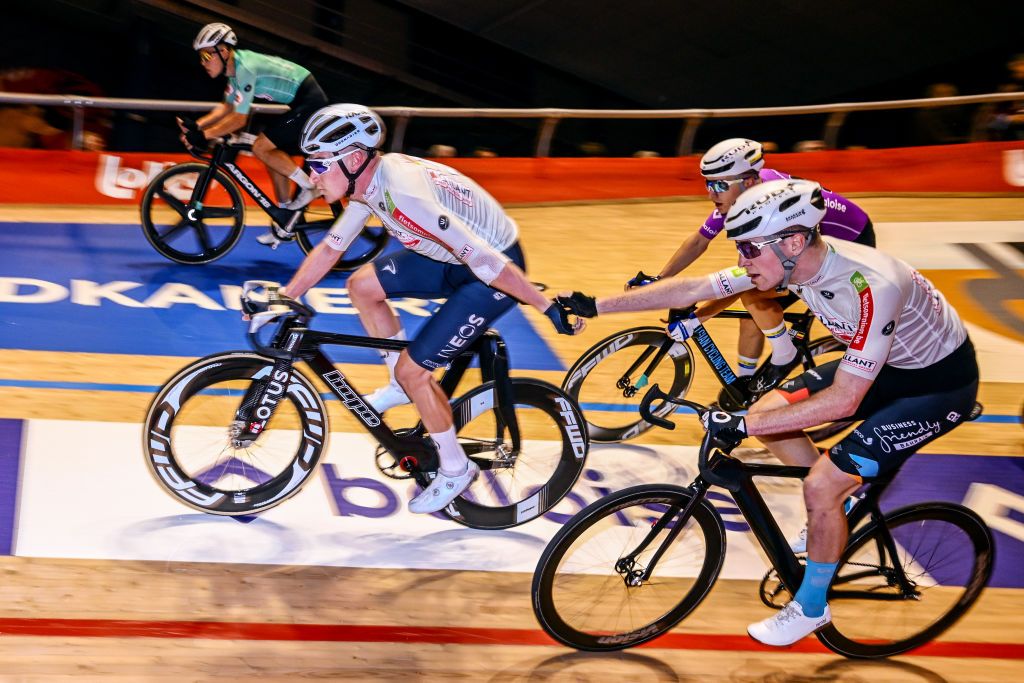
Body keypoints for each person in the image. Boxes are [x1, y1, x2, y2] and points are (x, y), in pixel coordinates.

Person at [556, 178, 978, 647]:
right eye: (740, 248)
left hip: (938, 387)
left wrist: (741, 424)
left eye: (750, 249)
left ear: (794, 241)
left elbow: (844, 401)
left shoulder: (872, 284)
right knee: (770, 415)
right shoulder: (789, 263)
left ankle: (812, 605)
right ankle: (839, 505)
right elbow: (694, 287)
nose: (741, 261)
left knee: (819, 481)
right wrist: (595, 305)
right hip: (890, 368)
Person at [267, 103, 578, 514]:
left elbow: (484, 260)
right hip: (453, 259)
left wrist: (543, 305)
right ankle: (399, 385)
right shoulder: (367, 185)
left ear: (354, 158)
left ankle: (455, 467)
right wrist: (287, 295)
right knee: (362, 285)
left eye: (320, 164)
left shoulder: (407, 196)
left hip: (490, 268)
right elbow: (330, 248)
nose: (311, 176)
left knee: (415, 370)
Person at [627, 138, 876, 405]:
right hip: (812, 242)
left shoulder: (770, 207)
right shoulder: (742, 195)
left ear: (747, 181)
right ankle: (745, 394)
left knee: (755, 292)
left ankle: (786, 355)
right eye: (708, 184)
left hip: (851, 246)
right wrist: (662, 278)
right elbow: (700, 240)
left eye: (720, 185)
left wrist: (699, 317)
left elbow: (744, 279)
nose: (712, 193)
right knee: (754, 315)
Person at [177, 22, 329, 246]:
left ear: (224, 51)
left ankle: (311, 187)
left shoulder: (244, 68)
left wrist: (205, 135)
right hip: (300, 102)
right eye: (201, 57)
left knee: (261, 146)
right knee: (270, 154)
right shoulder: (234, 73)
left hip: (310, 101)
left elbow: (240, 118)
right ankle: (286, 221)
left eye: (207, 56)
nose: (203, 63)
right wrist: (198, 126)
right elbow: (227, 106)